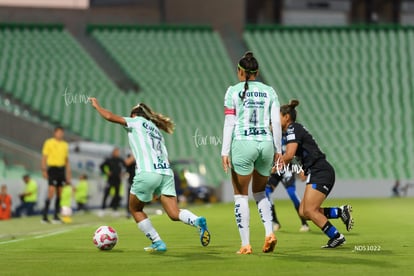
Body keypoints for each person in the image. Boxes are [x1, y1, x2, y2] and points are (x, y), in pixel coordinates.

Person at [89, 97, 210, 252]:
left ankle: (158, 242)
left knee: (135, 209)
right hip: (166, 172)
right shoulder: (156, 130)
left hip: (148, 172)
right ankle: (196, 220)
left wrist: (97, 106)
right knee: (174, 213)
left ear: (134, 115)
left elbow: (109, 116)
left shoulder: (136, 122)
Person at [221, 51, 282, 254]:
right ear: (257, 72)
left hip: (243, 143)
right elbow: (276, 122)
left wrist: (225, 151)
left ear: (240, 71)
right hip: (265, 143)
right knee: (260, 193)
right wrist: (278, 149)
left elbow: (230, 123)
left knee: (240, 195)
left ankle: (246, 244)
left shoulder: (232, 91)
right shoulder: (270, 91)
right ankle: (268, 233)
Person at [278, 99, 354, 248]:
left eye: (277, 116)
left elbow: (289, 154)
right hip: (316, 171)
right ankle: (340, 212)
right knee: (303, 212)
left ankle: (336, 236)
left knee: (309, 210)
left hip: (320, 171)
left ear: (287, 117)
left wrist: (275, 165)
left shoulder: (293, 128)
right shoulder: (291, 131)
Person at [41, 126, 71, 224]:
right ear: (55, 133)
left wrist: (68, 174)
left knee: (59, 193)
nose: (60, 134)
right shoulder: (49, 142)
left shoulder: (65, 145)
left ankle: (55, 216)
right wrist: (44, 170)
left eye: (62, 133)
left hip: (61, 170)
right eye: (59, 132)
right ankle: (44, 216)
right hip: (52, 169)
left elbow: (66, 161)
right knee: (51, 191)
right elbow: (44, 157)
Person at [99, 147, 125, 216]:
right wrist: (106, 172)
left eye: (118, 152)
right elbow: (101, 166)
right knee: (106, 194)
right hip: (110, 180)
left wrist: (123, 173)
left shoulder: (120, 160)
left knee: (117, 195)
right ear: (113, 152)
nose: (117, 153)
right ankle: (102, 209)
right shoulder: (109, 160)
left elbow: (125, 166)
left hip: (117, 180)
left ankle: (115, 210)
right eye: (116, 152)